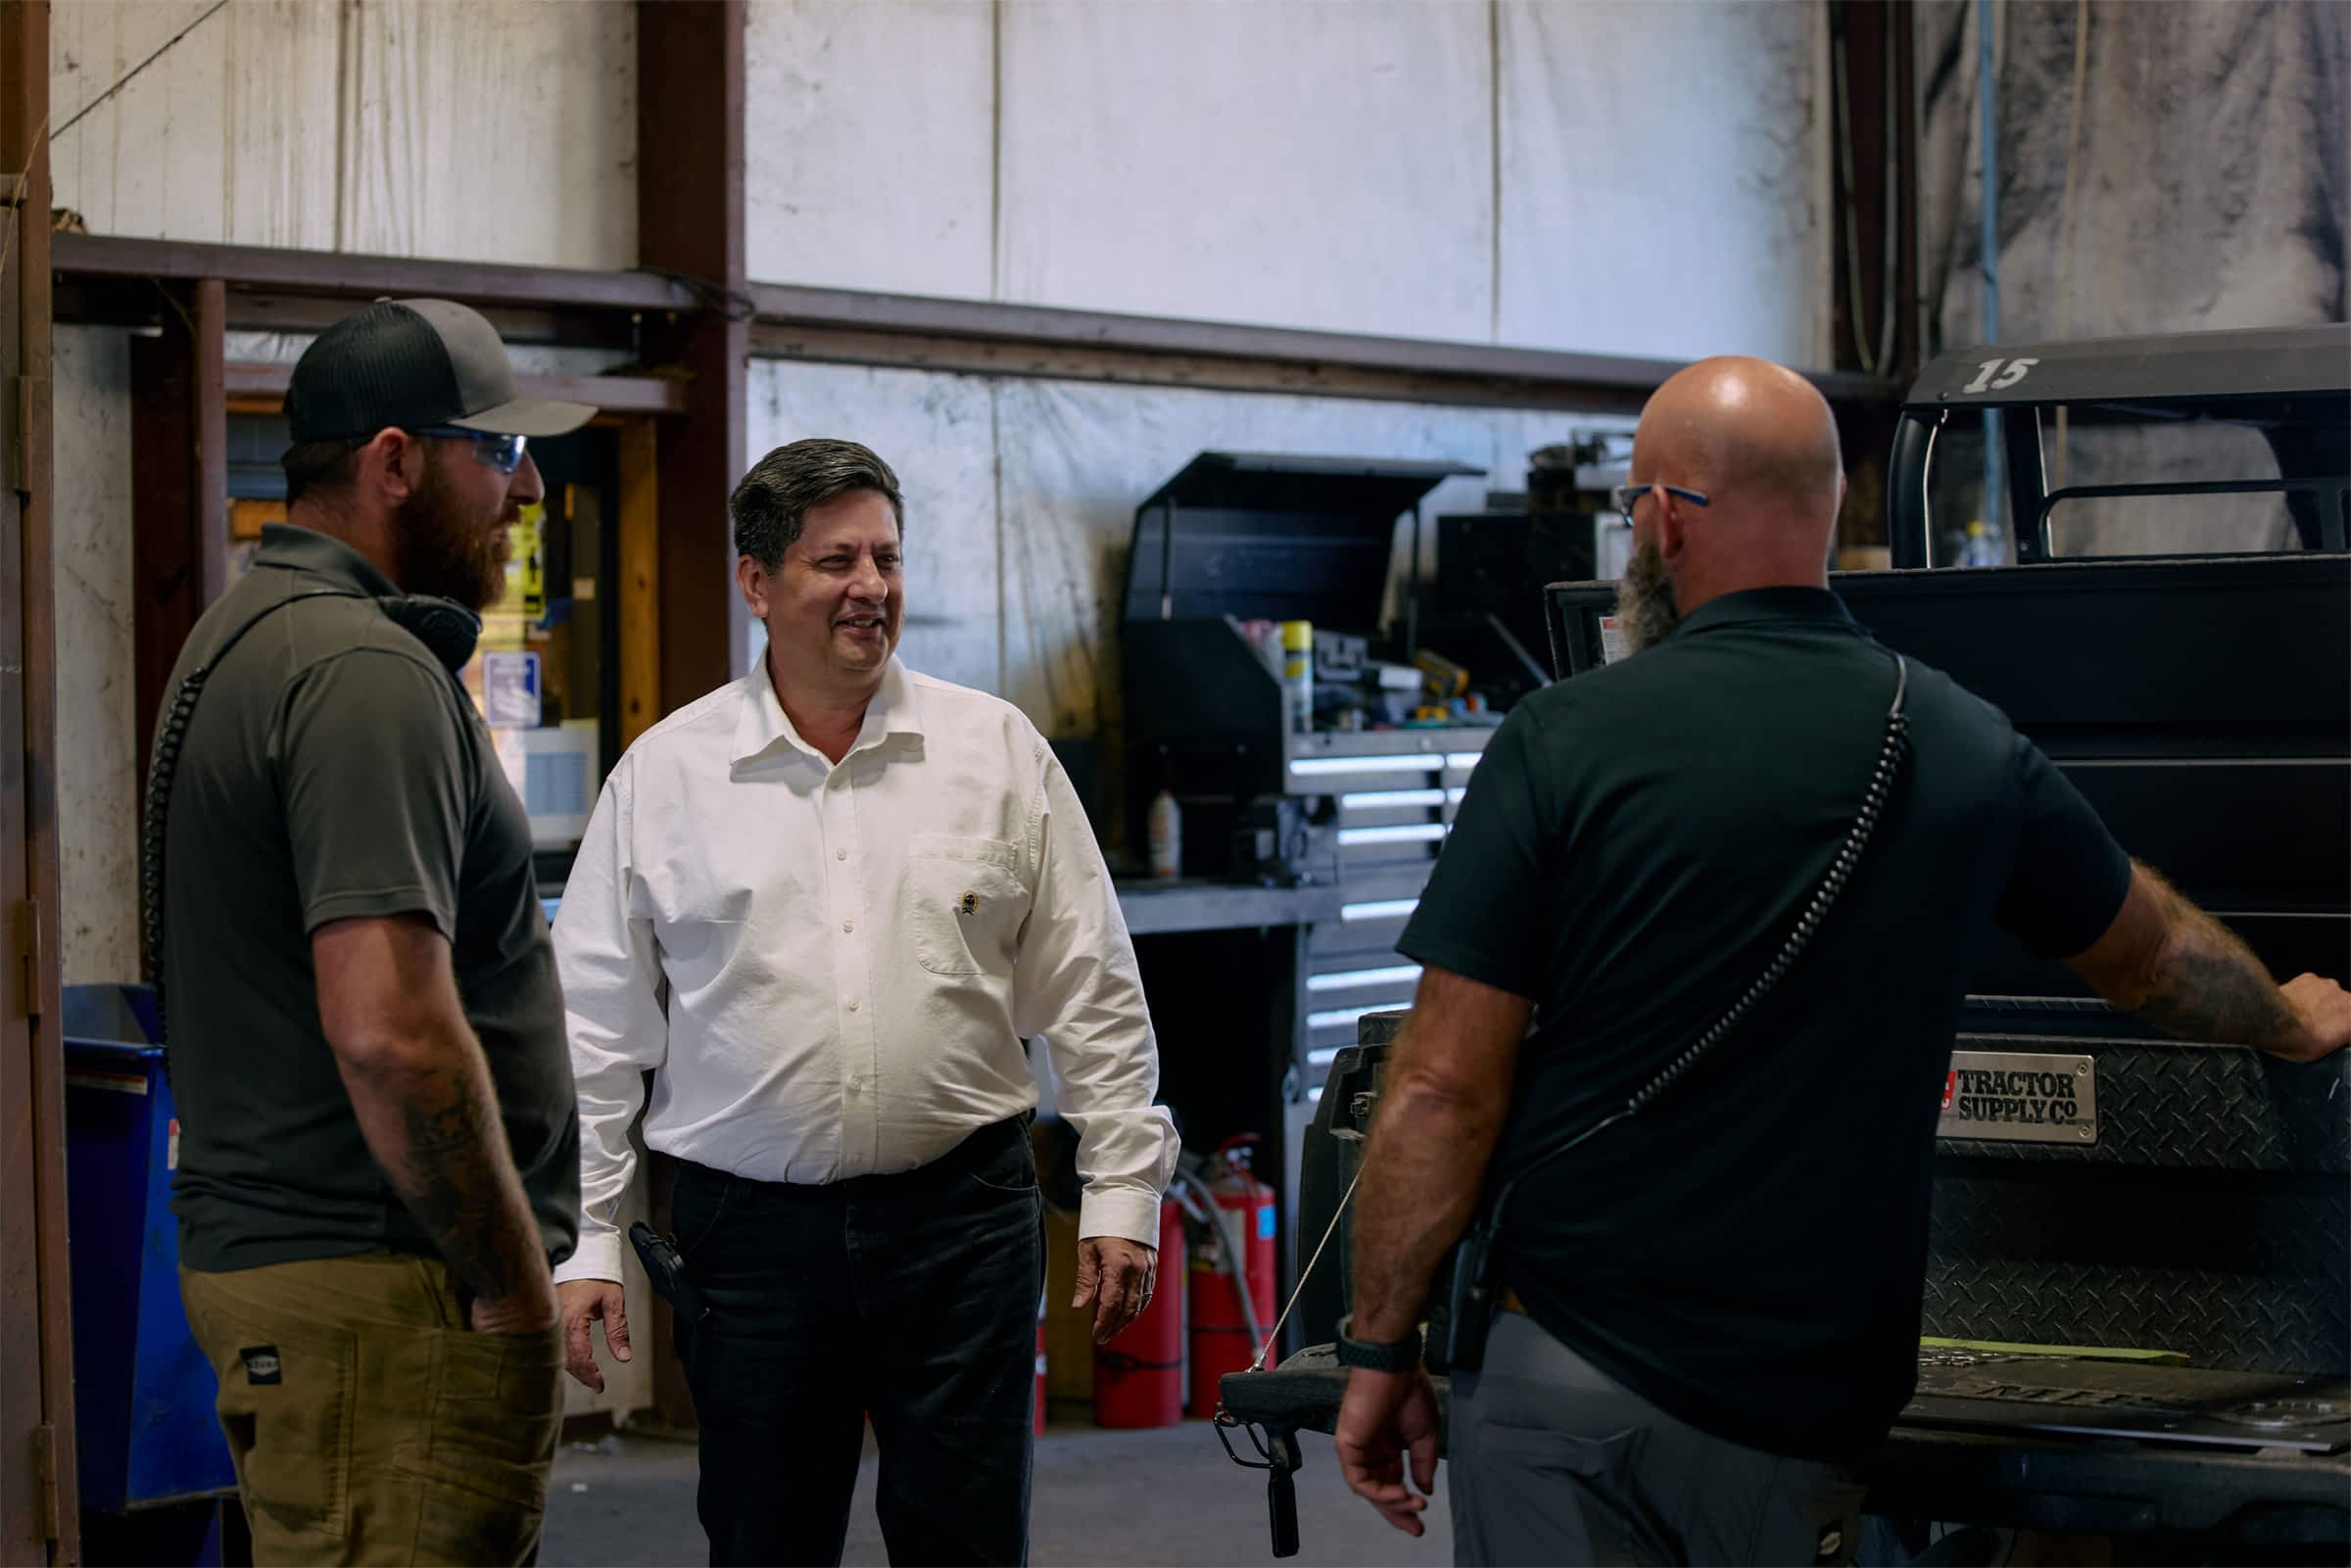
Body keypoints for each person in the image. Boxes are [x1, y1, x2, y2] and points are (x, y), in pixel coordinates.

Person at [1329, 356, 2351, 1565]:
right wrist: (2289, 1018)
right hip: (1794, 1406)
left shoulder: (1562, 740)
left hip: (1565, 1374)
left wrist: (1380, 1345)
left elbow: (1445, 1087)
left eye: (1628, 516)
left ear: (1664, 518)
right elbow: (2155, 957)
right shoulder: (1961, 742)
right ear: (1825, 513)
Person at [552, 438, 1178, 1566]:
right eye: (834, 560)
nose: (871, 586)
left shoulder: (994, 750)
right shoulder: (666, 776)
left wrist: (1122, 1183)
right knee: (765, 1539)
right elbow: (592, 1029)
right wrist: (590, 1233)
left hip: (962, 1224)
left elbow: (1093, 981)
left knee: (968, 1540)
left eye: (886, 556)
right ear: (757, 583)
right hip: (750, 1243)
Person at [154, 300, 595, 1565]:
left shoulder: (248, 634)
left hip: (313, 1278)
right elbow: (393, 1031)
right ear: (396, 461)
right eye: (499, 453)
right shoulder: (364, 672)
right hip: (385, 1288)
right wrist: (511, 1280)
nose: (529, 488)